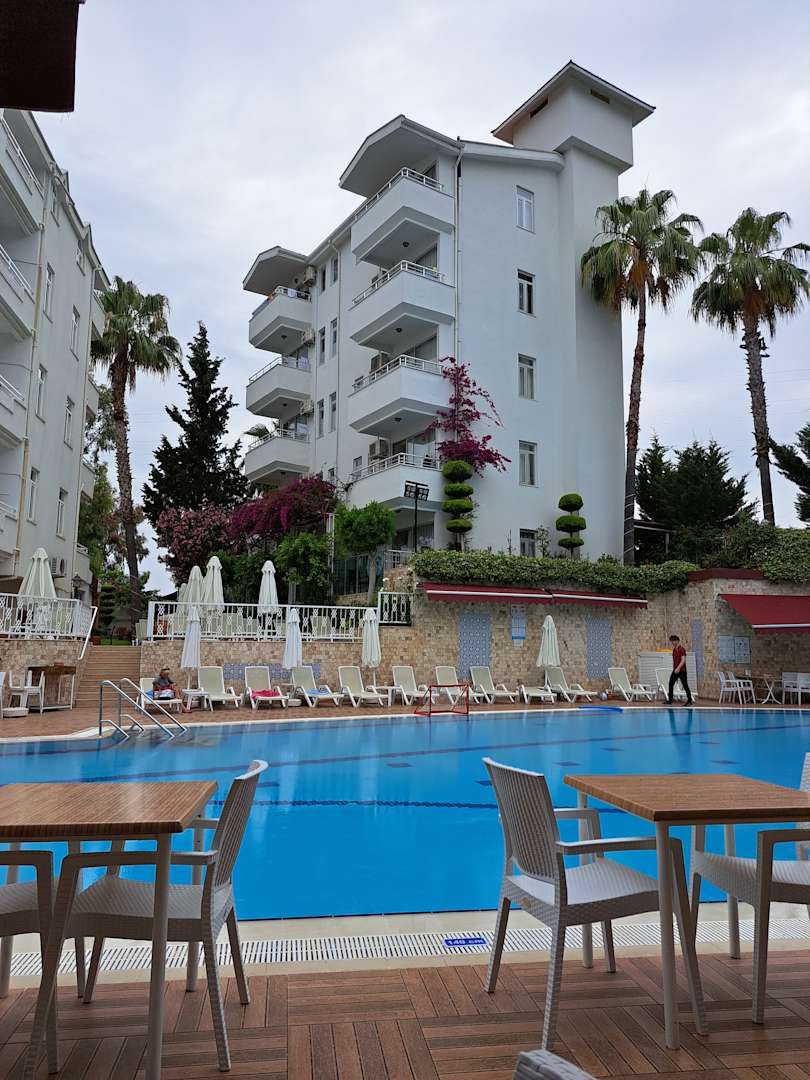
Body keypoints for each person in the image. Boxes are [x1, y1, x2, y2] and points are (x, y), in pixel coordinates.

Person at [667, 634, 693, 706]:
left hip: (682, 671)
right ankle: (670, 700)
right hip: (675, 670)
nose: (673, 642)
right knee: (671, 684)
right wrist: (675, 669)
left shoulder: (682, 649)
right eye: (672, 641)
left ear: (678, 641)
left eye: (674, 641)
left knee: (685, 685)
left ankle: (689, 700)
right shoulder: (674, 650)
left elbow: (683, 660)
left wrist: (678, 668)